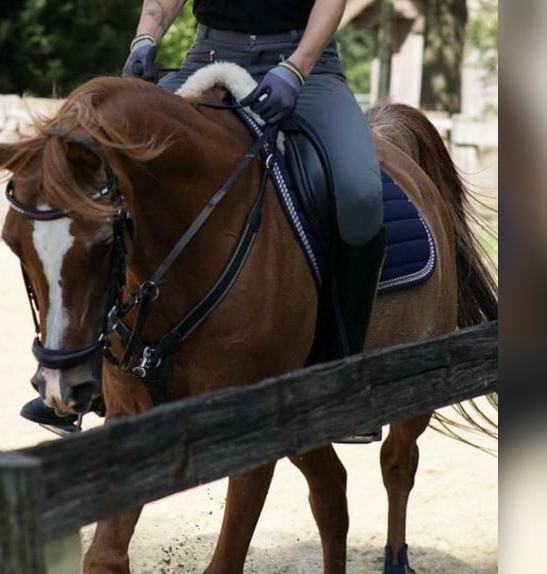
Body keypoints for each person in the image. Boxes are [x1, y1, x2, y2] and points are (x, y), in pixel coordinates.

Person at [22, 0, 385, 435]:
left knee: (359, 196)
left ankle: (337, 375)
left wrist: (297, 66)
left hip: (305, 67)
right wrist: (144, 37)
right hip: (207, 55)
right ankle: (89, 373)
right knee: (103, 184)